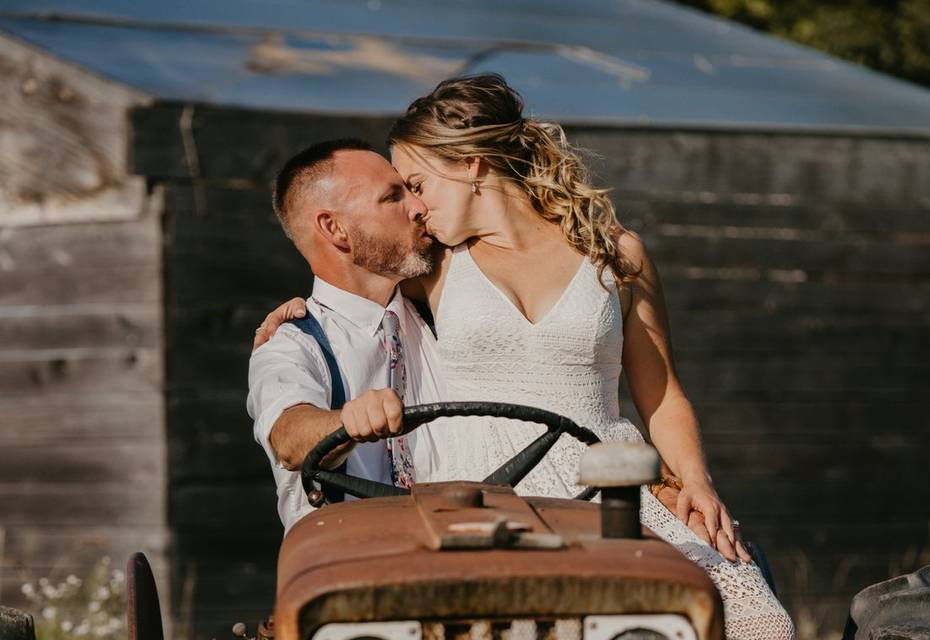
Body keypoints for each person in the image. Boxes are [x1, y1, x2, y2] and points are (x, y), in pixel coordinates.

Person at [255, 75, 795, 639]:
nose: (413, 206)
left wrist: (698, 483)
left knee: (756, 624)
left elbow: (661, 393)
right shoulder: (433, 266)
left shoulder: (616, 253)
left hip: (605, 480)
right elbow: (349, 283)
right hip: (480, 492)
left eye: (416, 183)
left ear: (469, 164)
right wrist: (296, 313)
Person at [247, 138, 445, 534]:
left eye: (412, 190)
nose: (419, 207)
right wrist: (346, 423)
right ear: (335, 228)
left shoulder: (440, 310)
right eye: (392, 197)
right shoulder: (291, 343)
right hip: (350, 569)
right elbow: (288, 436)